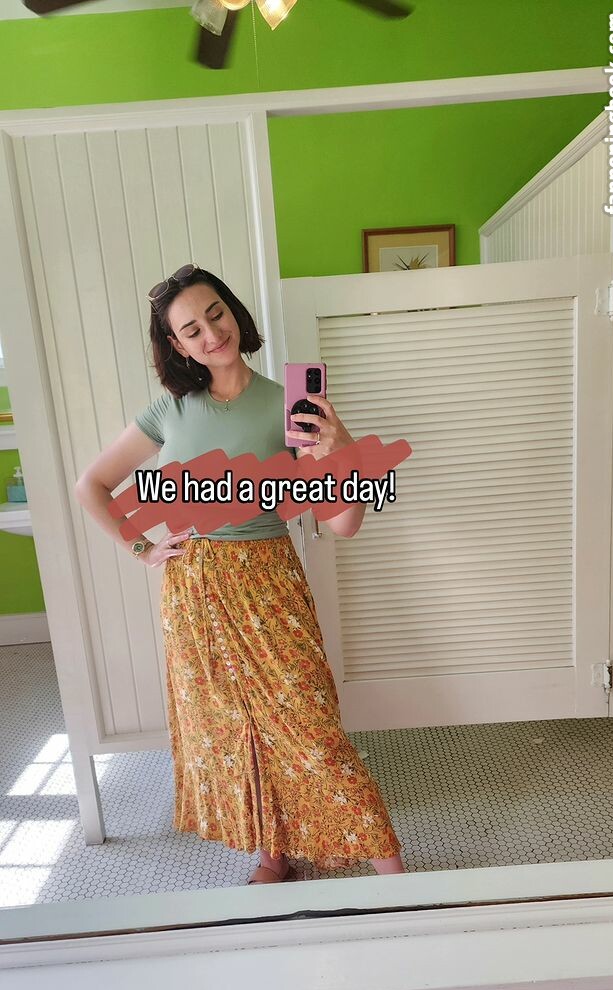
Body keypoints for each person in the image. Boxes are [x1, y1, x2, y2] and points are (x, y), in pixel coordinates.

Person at [75, 264, 404, 884]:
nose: (211, 334)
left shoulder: (287, 405)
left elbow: (344, 523)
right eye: (191, 330)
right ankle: (273, 855)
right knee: (232, 729)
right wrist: (142, 548)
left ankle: (398, 879)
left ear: (234, 312)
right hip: (194, 589)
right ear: (177, 345)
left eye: (216, 314)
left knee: (311, 730)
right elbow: (90, 485)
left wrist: (339, 446)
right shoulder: (169, 410)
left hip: (269, 583)